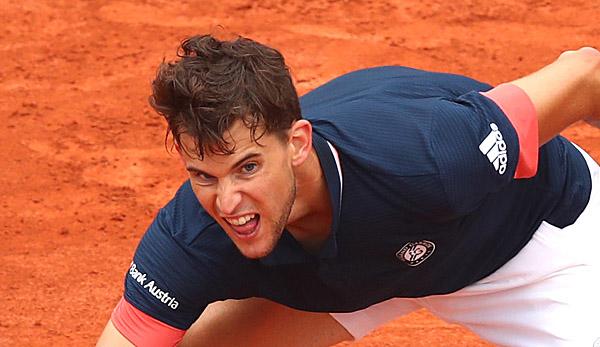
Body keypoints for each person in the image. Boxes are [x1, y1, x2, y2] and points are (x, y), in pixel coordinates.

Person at [97, 34, 600, 347]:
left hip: (524, 247)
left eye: (248, 168)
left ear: (297, 143)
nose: (226, 202)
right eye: (203, 175)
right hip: (363, 273)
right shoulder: (191, 234)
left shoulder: (431, 155)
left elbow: (584, 71)